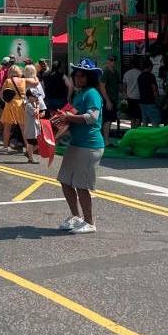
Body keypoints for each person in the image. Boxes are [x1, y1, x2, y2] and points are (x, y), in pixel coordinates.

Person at [54, 59, 104, 235]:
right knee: (65, 181)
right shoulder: (79, 94)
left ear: (89, 77)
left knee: (81, 186)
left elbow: (92, 117)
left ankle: (90, 222)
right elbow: (70, 118)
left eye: (82, 75)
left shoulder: (92, 94)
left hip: (89, 145)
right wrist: (53, 136)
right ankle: (76, 217)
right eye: (76, 74)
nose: (78, 78)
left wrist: (68, 117)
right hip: (76, 144)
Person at [0, 65, 27, 153]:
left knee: (7, 127)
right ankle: (28, 148)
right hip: (20, 104)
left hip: (10, 105)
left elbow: (1, 94)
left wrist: (6, 100)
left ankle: (5, 147)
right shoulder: (23, 80)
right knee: (23, 128)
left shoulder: (8, 81)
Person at [100, 55, 119, 141]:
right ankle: (106, 140)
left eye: (114, 60)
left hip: (114, 99)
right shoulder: (106, 72)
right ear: (108, 61)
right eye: (111, 60)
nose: (113, 62)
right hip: (108, 99)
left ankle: (106, 139)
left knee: (110, 119)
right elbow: (102, 86)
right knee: (107, 119)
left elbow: (118, 85)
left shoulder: (116, 72)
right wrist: (107, 100)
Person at [137, 59, 160, 127]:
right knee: (155, 122)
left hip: (142, 102)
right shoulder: (151, 76)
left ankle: (145, 136)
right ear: (149, 66)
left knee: (145, 122)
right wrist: (157, 101)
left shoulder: (140, 77)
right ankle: (155, 136)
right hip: (151, 102)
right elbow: (154, 89)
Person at [22, 89, 41, 164]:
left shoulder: (32, 104)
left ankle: (28, 153)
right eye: (34, 97)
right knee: (31, 143)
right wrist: (38, 106)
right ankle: (31, 158)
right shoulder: (28, 105)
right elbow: (35, 112)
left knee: (36, 143)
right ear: (29, 97)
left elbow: (36, 114)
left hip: (34, 127)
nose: (36, 98)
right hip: (30, 128)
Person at [122, 59, 142, 128]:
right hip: (138, 97)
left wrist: (125, 94)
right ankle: (137, 130)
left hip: (130, 98)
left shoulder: (126, 73)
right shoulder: (140, 73)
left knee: (132, 116)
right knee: (139, 116)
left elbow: (124, 86)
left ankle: (132, 129)